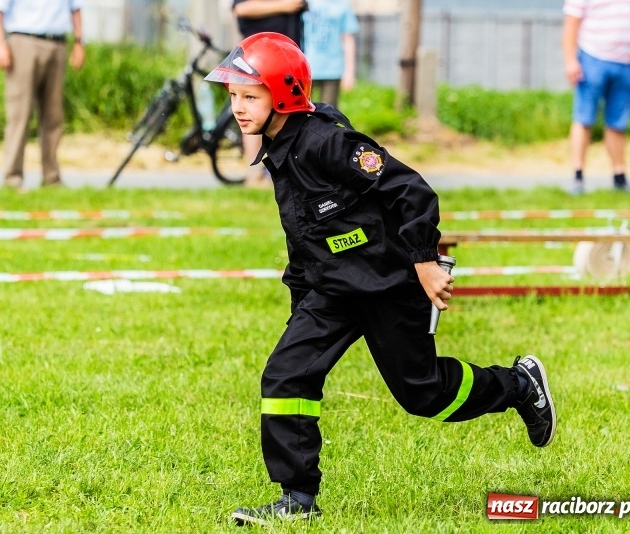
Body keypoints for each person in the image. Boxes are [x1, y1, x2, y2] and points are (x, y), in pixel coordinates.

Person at [204, 32, 557, 527]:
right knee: (286, 375)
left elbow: (412, 190)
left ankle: (520, 385)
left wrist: (424, 260)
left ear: (283, 94)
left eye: (250, 96)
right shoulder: (279, 150)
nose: (237, 109)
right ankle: (297, 499)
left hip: (389, 284)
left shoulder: (326, 141)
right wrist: (301, 308)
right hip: (333, 289)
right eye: (233, 97)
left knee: (425, 394)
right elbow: (305, 235)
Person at [0, 0, 86, 189]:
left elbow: (76, 6)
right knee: (19, 114)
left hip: (58, 43)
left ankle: (52, 178)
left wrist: (80, 41)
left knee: (53, 116)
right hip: (24, 41)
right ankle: (12, 179)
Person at [562, 0, 630, 195]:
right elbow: (571, 24)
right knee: (584, 118)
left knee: (618, 122)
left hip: (625, 62)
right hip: (591, 58)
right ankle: (578, 177)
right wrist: (570, 60)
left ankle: (619, 178)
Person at [232, 0, 308, 187]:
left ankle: (290, 172)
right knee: (251, 113)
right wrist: (284, 5)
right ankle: (254, 174)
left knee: (289, 116)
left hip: (288, 61)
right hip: (257, 60)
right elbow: (241, 8)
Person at [301, 0, 359, 107]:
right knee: (301, 111)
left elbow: (348, 39)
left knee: (328, 114)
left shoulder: (342, 5)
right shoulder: (303, 2)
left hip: (333, 69)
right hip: (305, 69)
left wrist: (349, 72)